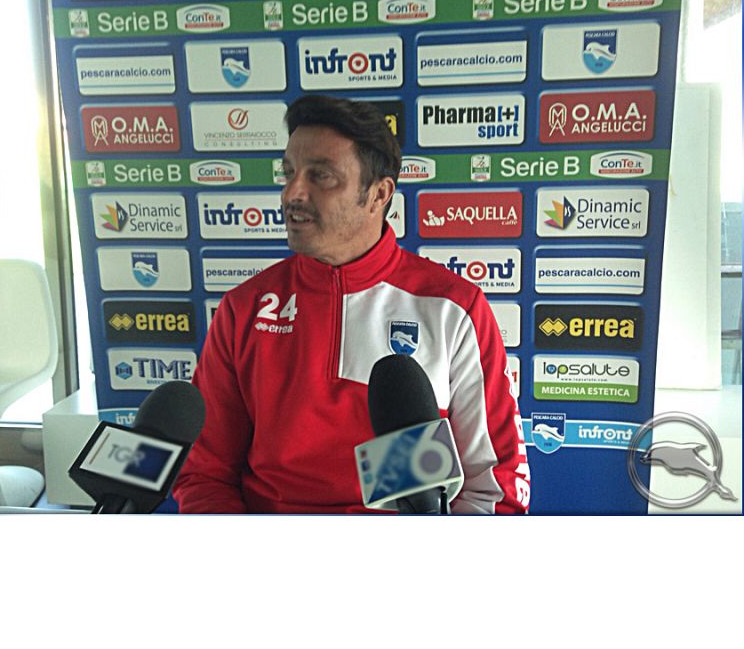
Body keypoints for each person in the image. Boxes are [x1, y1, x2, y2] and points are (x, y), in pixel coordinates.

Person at [172, 95, 530, 514]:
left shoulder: (452, 308)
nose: (292, 193)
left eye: (321, 176)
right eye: (289, 173)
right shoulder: (244, 309)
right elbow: (205, 474)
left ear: (379, 194)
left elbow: (497, 490)